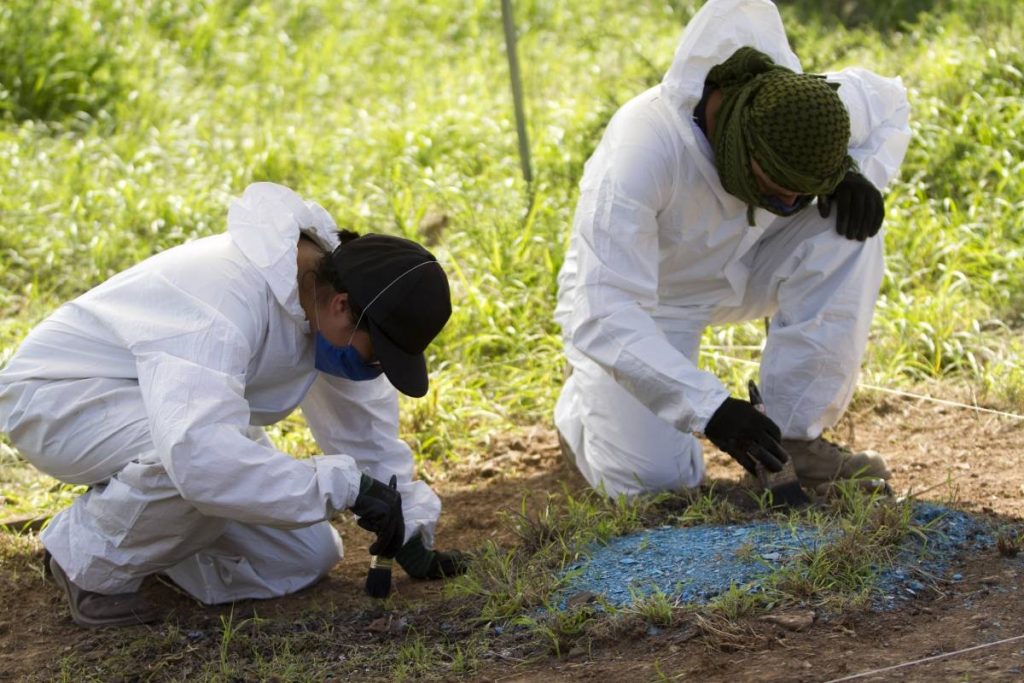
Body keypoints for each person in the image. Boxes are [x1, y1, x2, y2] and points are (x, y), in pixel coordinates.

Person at [0, 182, 466, 628]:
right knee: (192, 468)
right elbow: (200, 457)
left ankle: (144, 537)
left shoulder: (323, 297)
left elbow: (366, 437)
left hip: (168, 399)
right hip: (61, 397)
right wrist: (342, 485)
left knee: (305, 555)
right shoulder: (226, 297)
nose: (377, 367)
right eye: (378, 351)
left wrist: (409, 524)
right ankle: (85, 560)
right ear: (342, 306)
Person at [554, 0, 912, 498]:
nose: (791, 204)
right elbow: (605, 310)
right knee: (656, 487)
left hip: (745, 264)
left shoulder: (810, 106)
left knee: (848, 232)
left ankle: (793, 437)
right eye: (778, 187)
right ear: (738, 142)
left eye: (800, 194)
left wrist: (855, 174)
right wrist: (712, 410)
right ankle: (582, 408)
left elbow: (893, 103)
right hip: (648, 298)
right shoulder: (643, 148)